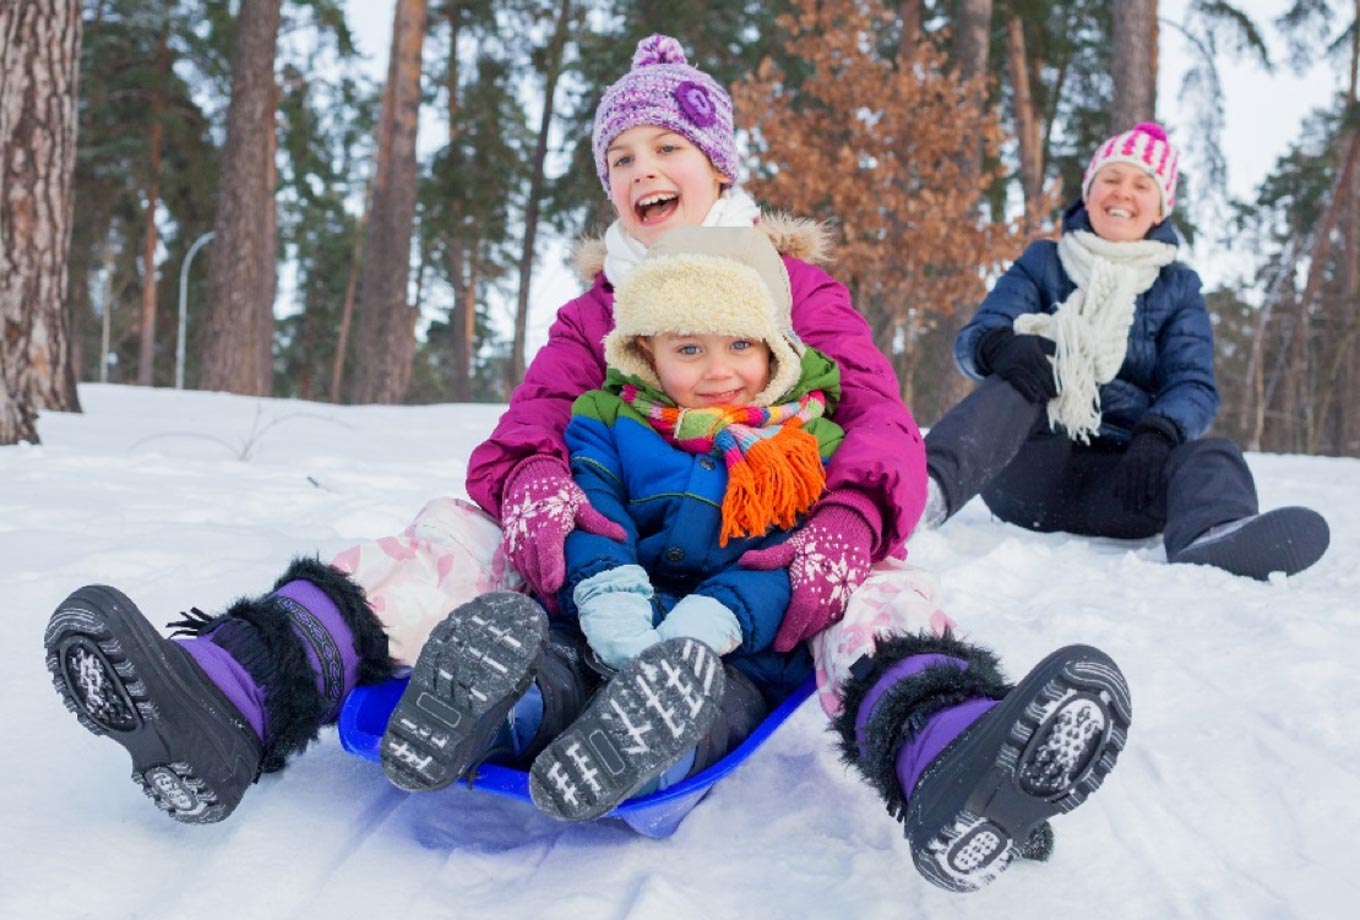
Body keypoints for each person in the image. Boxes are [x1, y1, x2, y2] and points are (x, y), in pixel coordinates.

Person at [43, 34, 1131, 894]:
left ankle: (951, 760)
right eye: (620, 157)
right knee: (445, 530)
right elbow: (520, 445)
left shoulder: (802, 295)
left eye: (666, 149)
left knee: (886, 580)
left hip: (769, 562)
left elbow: (882, 432)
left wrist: (836, 535)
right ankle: (227, 699)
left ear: (718, 169)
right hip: (602, 556)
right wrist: (559, 521)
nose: (641, 170)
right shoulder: (595, 312)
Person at [919, 122, 1330, 581]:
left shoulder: (1178, 287)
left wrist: (1158, 432)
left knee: (1214, 454)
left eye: (1141, 185)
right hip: (1027, 472)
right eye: (1110, 179)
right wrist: (999, 346)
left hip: (1126, 485)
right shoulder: (1043, 262)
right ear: (1089, 192)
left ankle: (1213, 534)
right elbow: (976, 337)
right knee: (1018, 382)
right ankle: (920, 496)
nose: (1123, 193)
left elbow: (1193, 383)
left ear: (1160, 209)